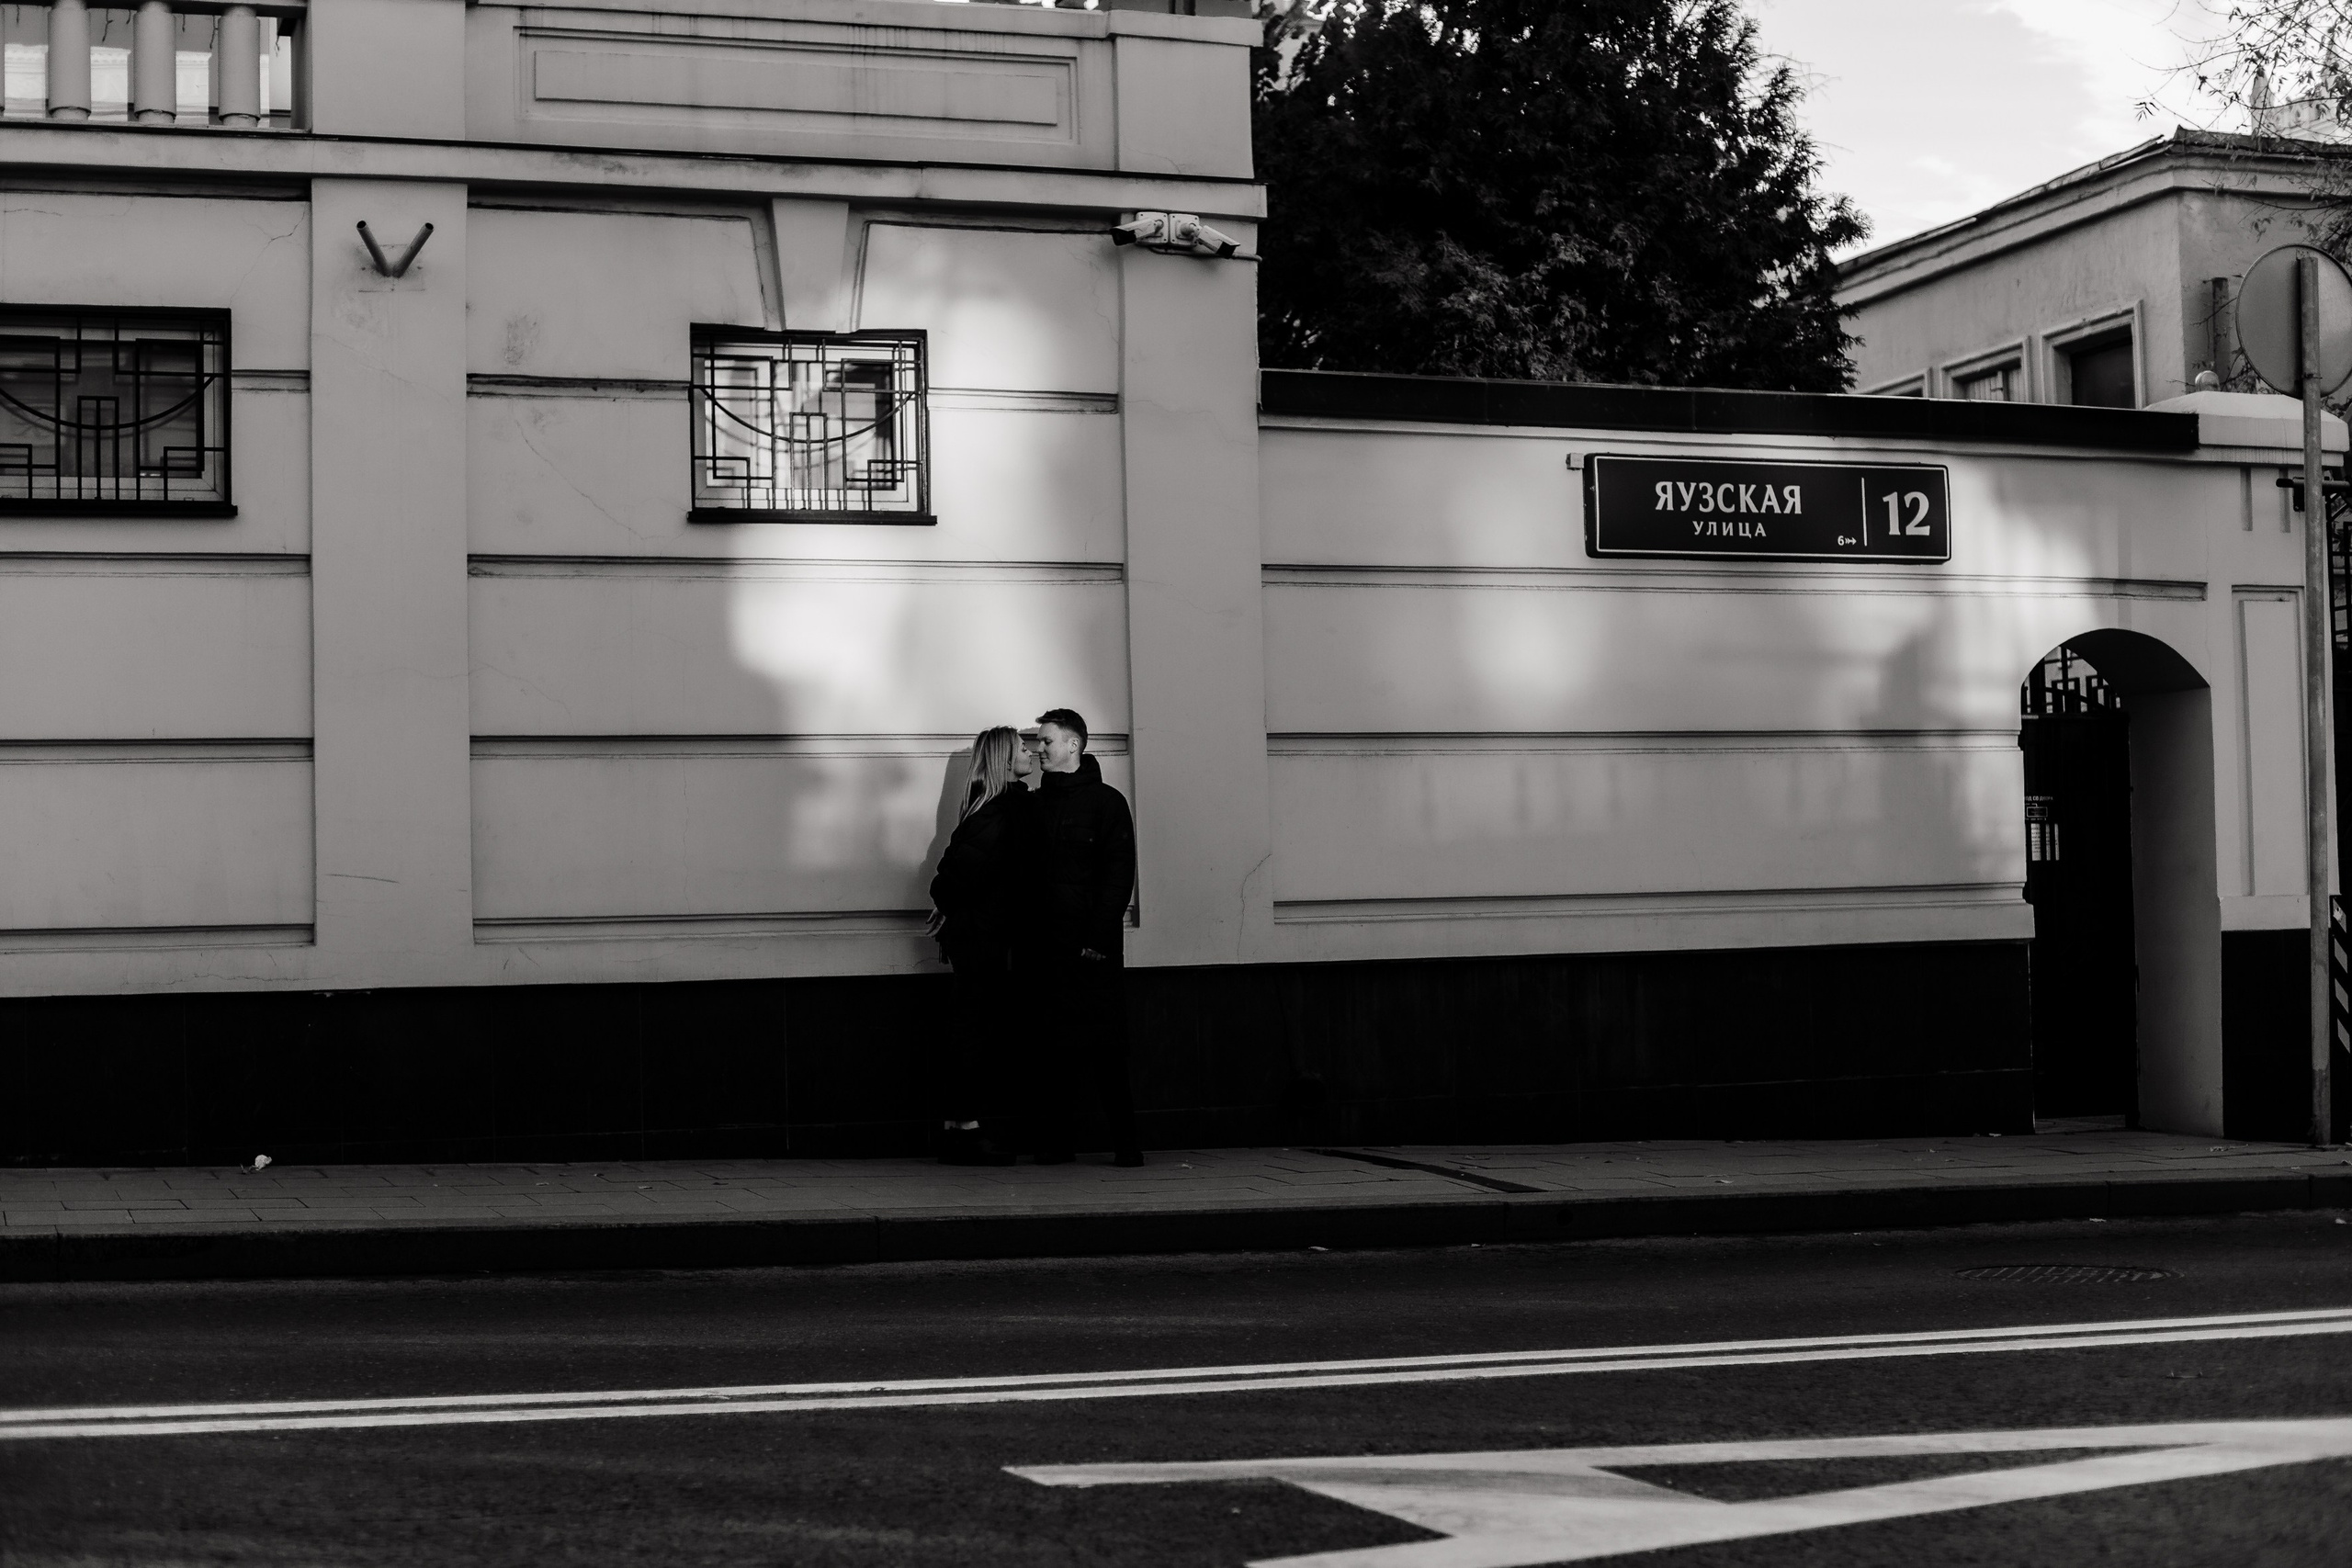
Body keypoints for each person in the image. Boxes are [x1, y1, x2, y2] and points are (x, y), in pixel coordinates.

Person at [1025, 707, 1144, 1167]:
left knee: (1106, 1048)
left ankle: (1126, 1144)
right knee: (1054, 1049)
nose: (1039, 750)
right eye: (1038, 742)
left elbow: (1118, 875)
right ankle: (1058, 1144)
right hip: (1048, 947)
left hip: (1091, 950)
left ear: (1074, 744)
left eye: (1047, 741)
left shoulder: (1107, 803)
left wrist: (1097, 936)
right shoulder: (1036, 804)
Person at [926, 726, 1035, 1165]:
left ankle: (958, 1129)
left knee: (969, 1031)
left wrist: (949, 904)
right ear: (1005, 759)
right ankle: (966, 1133)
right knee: (973, 1033)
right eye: (1022, 748)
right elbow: (954, 874)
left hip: (979, 935)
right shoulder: (999, 810)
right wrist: (947, 902)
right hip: (981, 939)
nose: (1030, 753)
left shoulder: (995, 806)